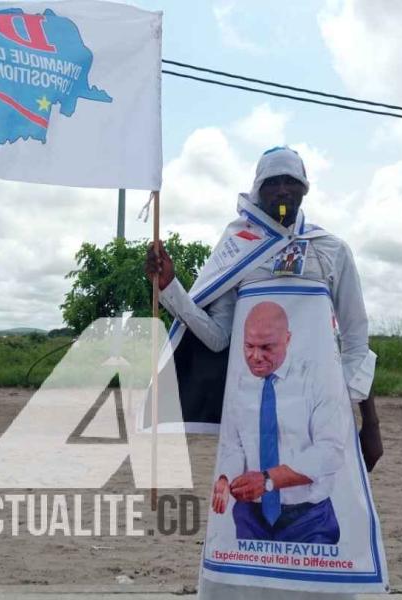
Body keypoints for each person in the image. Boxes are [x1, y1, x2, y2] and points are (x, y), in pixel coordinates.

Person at [144, 146, 382, 471]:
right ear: (258, 190)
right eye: (272, 182)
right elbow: (217, 338)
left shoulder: (332, 249)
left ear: (304, 188)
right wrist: (169, 287)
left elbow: (355, 340)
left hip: (318, 408)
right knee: (249, 498)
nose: (282, 190)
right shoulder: (237, 249)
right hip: (251, 408)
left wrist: (370, 423)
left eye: (291, 181)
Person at [212, 301, 343, 544]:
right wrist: (224, 478)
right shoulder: (239, 385)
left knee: (309, 583)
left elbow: (330, 451)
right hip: (250, 516)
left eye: (266, 347)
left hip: (309, 518)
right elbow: (234, 446)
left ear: (288, 339)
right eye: (248, 346)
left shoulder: (317, 381)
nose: (255, 356)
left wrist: (269, 480)